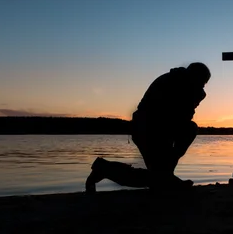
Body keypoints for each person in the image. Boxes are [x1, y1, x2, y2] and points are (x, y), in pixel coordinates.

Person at [85, 62, 211, 193]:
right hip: (147, 130)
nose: (203, 87)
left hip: (161, 130)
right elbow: (172, 116)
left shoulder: (184, 83)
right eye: (203, 82)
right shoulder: (176, 84)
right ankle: (104, 169)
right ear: (195, 76)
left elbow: (180, 120)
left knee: (189, 130)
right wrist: (194, 99)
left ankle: (167, 177)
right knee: (158, 179)